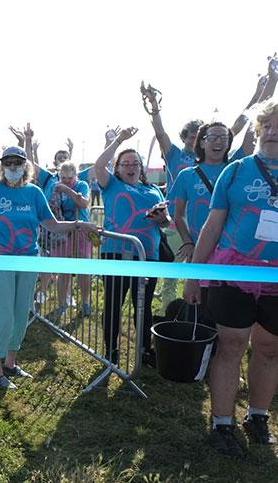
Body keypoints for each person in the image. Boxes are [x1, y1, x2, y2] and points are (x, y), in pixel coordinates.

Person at [183, 99, 278, 457]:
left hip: (276, 279)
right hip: (232, 272)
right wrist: (195, 276)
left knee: (270, 348)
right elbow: (212, 226)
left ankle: (257, 416)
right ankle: (221, 423)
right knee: (232, 344)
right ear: (258, 131)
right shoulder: (235, 171)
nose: (272, 132)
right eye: (267, 125)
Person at [0, 145, 99, 389]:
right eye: (8, 163)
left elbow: (52, 225)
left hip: (29, 259)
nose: (13, 167)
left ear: (25, 166)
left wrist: (78, 224)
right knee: (1, 315)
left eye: (17, 163)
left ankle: (11, 361)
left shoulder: (34, 193)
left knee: (22, 312)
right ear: (2, 166)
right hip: (0, 261)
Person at [93, 127, 168, 367]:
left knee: (143, 307)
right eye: (125, 163)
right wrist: (119, 140)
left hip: (148, 256)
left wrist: (162, 219)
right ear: (118, 168)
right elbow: (98, 165)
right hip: (116, 254)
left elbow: (166, 223)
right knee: (114, 304)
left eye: (135, 163)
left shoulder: (153, 189)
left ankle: (144, 350)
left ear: (141, 167)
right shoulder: (111, 184)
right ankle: (111, 351)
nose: (131, 167)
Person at [168, 122, 233, 323]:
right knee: (199, 306)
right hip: (199, 251)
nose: (218, 142)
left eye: (224, 138)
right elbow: (178, 215)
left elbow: (247, 126)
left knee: (228, 308)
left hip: (231, 252)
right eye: (212, 137)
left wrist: (262, 91)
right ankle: (202, 351)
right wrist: (188, 242)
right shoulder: (187, 175)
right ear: (201, 143)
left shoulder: (236, 170)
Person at [48, 160, 93, 320]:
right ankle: (62, 304)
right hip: (64, 231)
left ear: (75, 176)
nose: (66, 181)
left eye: (69, 178)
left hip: (82, 231)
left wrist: (67, 190)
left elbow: (83, 203)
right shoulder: (55, 186)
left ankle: (85, 303)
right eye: (63, 178)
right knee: (64, 269)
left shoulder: (82, 185)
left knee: (83, 269)